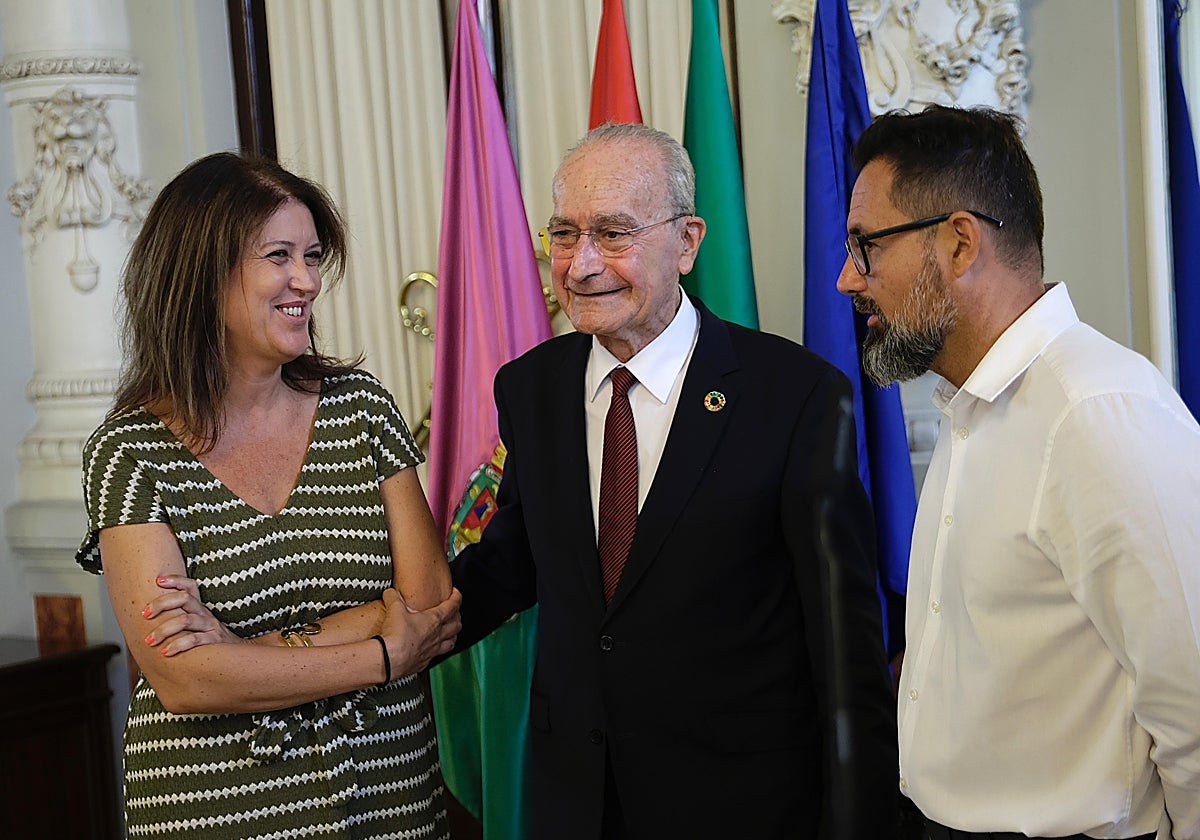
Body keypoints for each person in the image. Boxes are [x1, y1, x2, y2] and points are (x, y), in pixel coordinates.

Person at [446, 121, 898, 839]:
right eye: (564, 234)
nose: (580, 265)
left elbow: (845, 651)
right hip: (577, 805)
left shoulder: (794, 396)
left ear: (687, 242)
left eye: (613, 234)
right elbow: (516, 562)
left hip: (741, 809)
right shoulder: (530, 388)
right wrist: (382, 634)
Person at [836, 104, 1200, 840]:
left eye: (867, 246)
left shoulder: (1095, 414)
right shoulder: (974, 405)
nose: (848, 280)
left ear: (959, 243)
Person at [75, 151, 462, 839]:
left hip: (390, 798)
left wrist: (248, 649)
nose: (306, 281)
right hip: (218, 809)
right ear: (202, 274)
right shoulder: (129, 452)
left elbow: (430, 607)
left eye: (312, 257)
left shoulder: (360, 408)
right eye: (279, 256)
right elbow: (185, 681)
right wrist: (380, 653)